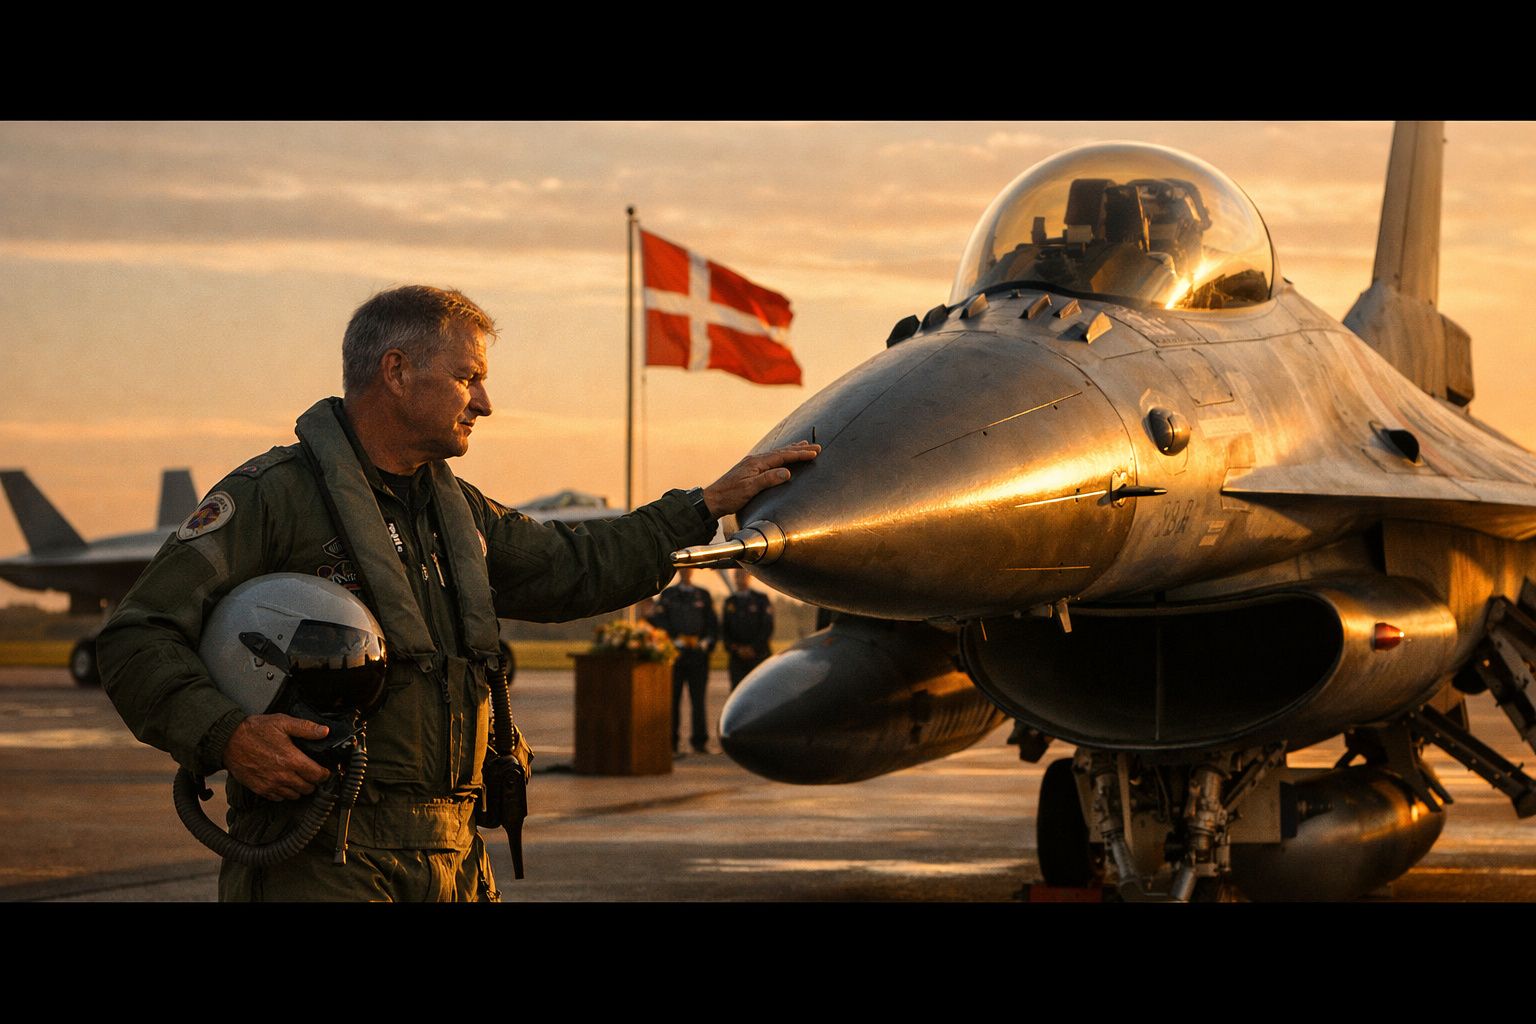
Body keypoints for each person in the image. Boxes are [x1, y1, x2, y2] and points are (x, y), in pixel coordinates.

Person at [96, 285, 818, 901]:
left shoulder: (461, 514)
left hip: (454, 852)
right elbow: (135, 638)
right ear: (398, 371)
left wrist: (705, 504)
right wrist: (227, 735)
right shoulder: (272, 498)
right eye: (468, 378)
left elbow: (578, 566)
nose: (486, 402)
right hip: (325, 854)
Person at [649, 567, 717, 754]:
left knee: (698, 701)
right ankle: (671, 742)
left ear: (693, 571)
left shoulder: (703, 595)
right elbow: (659, 621)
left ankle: (699, 742)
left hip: (697, 657)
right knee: (673, 700)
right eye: (684, 570)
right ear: (680, 571)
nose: (687, 573)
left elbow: (711, 623)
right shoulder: (669, 595)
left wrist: (705, 643)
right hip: (676, 656)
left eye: (690, 570)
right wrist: (674, 640)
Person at [721, 568, 774, 691]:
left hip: (758, 656)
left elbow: (767, 627)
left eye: (743, 573)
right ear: (734, 577)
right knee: (738, 694)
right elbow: (725, 631)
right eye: (738, 574)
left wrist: (753, 648)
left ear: (750, 576)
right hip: (737, 660)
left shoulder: (761, 599)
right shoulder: (730, 603)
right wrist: (737, 649)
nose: (741, 577)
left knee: (761, 693)